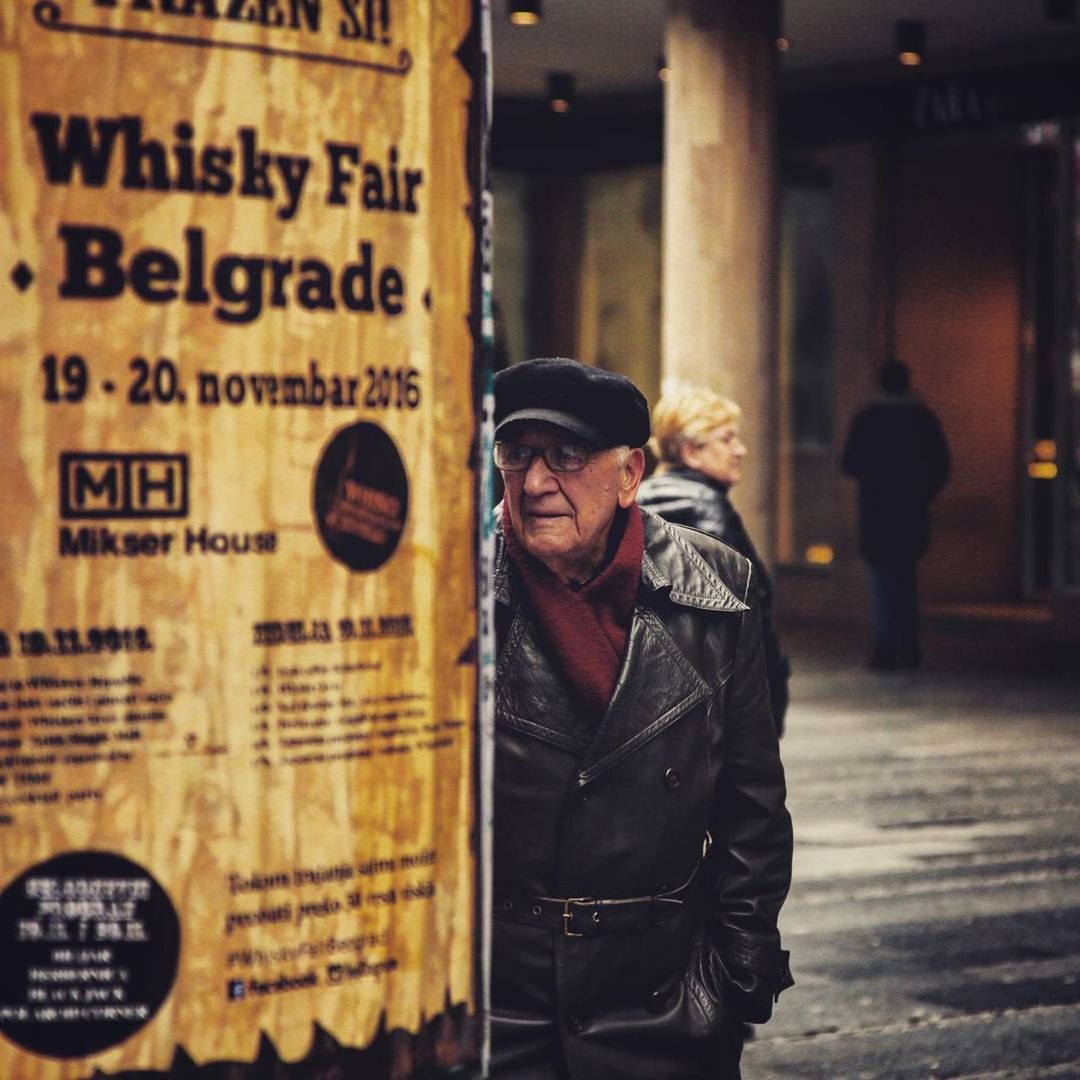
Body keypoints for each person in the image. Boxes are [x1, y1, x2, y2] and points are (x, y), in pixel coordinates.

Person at [489, 357, 793, 1080]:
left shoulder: (718, 584)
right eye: (517, 455)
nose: (535, 483)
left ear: (630, 474)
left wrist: (734, 976)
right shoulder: (451, 590)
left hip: (662, 1000)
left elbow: (753, 803)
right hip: (502, 1002)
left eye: (566, 456)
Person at [637, 384, 791, 737]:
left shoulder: (639, 501)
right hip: (717, 699)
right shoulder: (710, 508)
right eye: (727, 439)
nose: (740, 450)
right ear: (691, 451)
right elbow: (742, 610)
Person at [841, 358, 950, 671]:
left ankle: (886, 645)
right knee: (905, 577)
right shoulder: (923, 418)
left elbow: (849, 462)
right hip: (911, 512)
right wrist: (923, 492)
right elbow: (941, 465)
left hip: (877, 510)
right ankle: (907, 643)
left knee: (883, 579)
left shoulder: (868, 418)